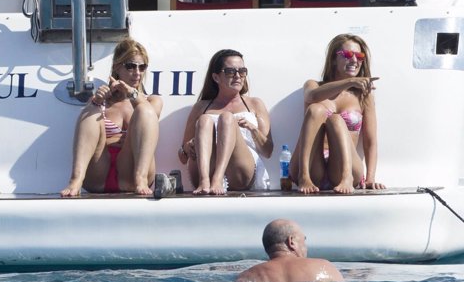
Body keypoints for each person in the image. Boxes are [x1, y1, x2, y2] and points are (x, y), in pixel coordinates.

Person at [60, 38, 163, 196]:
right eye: (131, 66)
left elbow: (149, 120)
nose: (137, 73)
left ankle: (141, 179)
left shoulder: (152, 101)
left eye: (142, 67)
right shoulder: (101, 102)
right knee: (91, 110)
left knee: (144, 110)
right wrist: (97, 101)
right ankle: (76, 180)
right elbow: (89, 133)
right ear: (117, 67)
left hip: (131, 171)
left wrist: (132, 93)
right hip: (99, 172)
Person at [289, 34, 384, 194]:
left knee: (335, 120)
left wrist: (370, 178)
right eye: (347, 54)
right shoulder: (313, 85)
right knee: (315, 109)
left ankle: (346, 177)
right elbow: (311, 96)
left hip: (344, 167)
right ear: (333, 59)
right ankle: (303, 176)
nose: (354, 60)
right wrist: (350, 82)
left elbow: (370, 142)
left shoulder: (364, 95)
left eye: (359, 56)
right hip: (313, 166)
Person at [178, 49, 273, 195]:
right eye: (230, 71)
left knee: (227, 118)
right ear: (216, 77)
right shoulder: (201, 107)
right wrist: (187, 147)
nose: (237, 76)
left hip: (241, 170)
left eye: (242, 71)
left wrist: (253, 129)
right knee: (205, 120)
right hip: (205, 169)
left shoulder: (255, 104)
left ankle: (217, 179)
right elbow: (182, 157)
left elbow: (268, 151)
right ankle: (205, 181)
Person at [236, 219, 344, 282]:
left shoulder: (247, 276)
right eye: (304, 240)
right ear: (291, 241)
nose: (306, 247)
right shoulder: (324, 267)